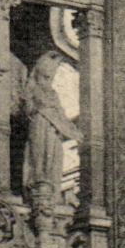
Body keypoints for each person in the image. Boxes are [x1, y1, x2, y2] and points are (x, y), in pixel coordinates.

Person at [21, 50, 81, 193]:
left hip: (53, 131)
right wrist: (42, 110)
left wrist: (72, 131)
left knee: (52, 157)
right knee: (38, 157)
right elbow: (27, 109)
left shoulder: (53, 94)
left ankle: (49, 188)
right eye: (45, 77)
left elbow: (61, 115)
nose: (47, 81)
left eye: (50, 78)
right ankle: (38, 186)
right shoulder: (32, 88)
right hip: (39, 125)